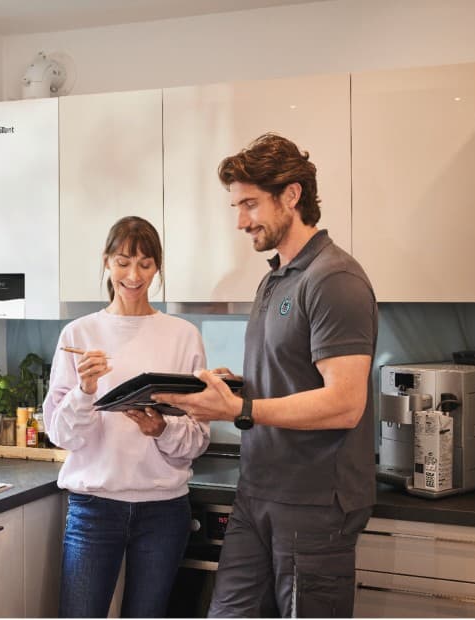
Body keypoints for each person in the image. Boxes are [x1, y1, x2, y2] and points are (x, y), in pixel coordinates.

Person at [153, 133, 378, 618]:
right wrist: (227, 388)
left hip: (314, 501)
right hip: (259, 490)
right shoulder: (277, 277)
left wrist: (241, 409)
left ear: (291, 196)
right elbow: (290, 376)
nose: (240, 221)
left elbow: (345, 403)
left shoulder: (334, 280)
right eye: (237, 206)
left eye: (250, 204)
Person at [43, 215, 210, 618]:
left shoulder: (183, 335)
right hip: (93, 506)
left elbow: (199, 435)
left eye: (145, 264)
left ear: (157, 268)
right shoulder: (77, 336)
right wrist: (85, 391)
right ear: (106, 262)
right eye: (122, 262)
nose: (133, 275)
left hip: (164, 510)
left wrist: (162, 428)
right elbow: (61, 435)